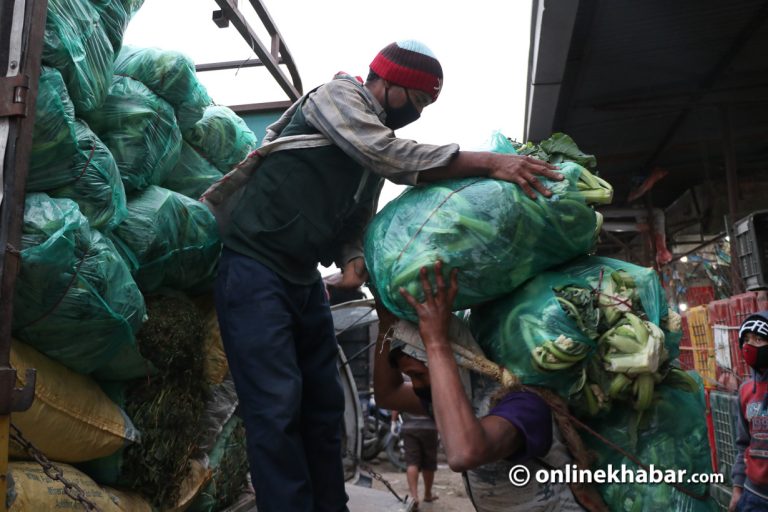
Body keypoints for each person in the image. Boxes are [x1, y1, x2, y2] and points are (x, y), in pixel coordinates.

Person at [214, 39, 562, 512]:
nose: (415, 113)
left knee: (322, 408)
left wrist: (356, 263)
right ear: (388, 81)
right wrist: (490, 162)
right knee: (275, 408)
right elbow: (390, 157)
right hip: (253, 267)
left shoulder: (368, 149)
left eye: (425, 106)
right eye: (415, 100)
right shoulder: (339, 98)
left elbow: (356, 219)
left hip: (300, 280)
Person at [374, 261, 604, 512]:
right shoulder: (459, 400)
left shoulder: (523, 403)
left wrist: (437, 342)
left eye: (418, 374)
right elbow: (389, 395)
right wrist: (386, 326)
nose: (417, 386)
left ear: (456, 363)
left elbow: (466, 452)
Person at [730, 311, 768, 511]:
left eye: (758, 339)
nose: (749, 345)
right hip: (753, 497)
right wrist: (737, 489)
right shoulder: (745, 391)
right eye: (746, 339)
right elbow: (742, 444)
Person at [392, 404, 440, 509]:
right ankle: (428, 494)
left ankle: (414, 497)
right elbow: (440, 405)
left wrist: (393, 422)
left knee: (412, 463)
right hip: (430, 427)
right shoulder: (431, 387)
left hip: (410, 427)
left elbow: (396, 403)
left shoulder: (403, 387)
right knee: (428, 463)